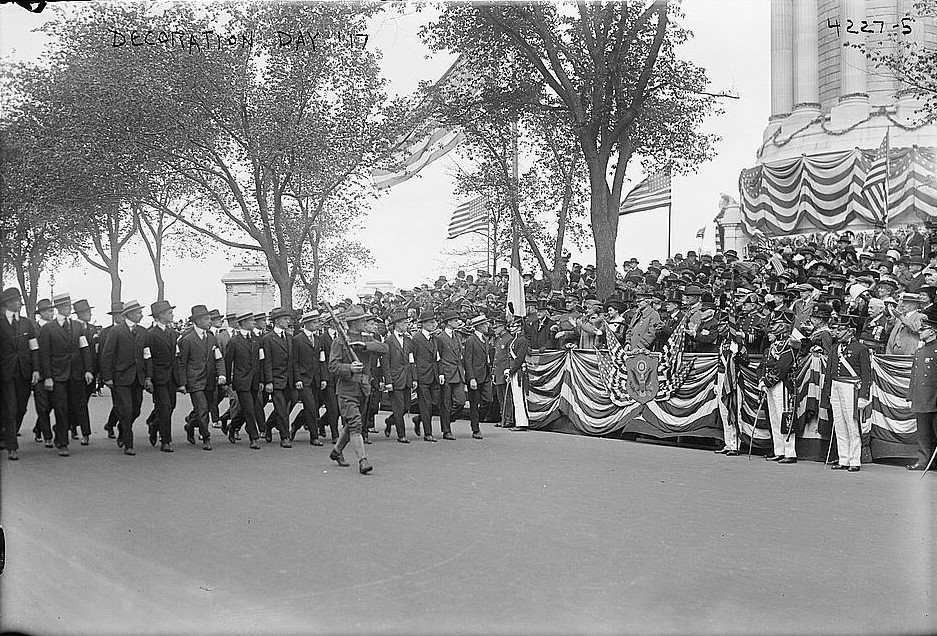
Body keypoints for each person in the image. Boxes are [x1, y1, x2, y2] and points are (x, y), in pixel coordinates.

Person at [328, 305, 387, 474]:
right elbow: (333, 366)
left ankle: (336, 451)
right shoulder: (340, 341)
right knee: (355, 423)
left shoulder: (367, 339)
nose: (365, 322)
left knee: (352, 423)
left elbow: (384, 349)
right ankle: (363, 460)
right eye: (362, 320)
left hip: (363, 389)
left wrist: (365, 346)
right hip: (346, 389)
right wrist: (349, 367)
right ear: (354, 323)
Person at [39, 293, 94, 456]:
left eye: (69, 305)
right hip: (57, 375)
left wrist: (88, 370)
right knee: (60, 408)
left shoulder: (78, 326)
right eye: (65, 306)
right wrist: (48, 376)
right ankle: (63, 443)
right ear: (58, 309)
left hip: (76, 374)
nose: (69, 308)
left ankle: (60, 431)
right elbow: (44, 355)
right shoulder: (48, 328)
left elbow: (85, 349)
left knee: (75, 406)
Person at [100, 299, 147, 456]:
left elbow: (147, 356)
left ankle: (122, 428)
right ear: (131, 314)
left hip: (138, 377)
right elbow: (107, 354)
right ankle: (128, 443)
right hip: (121, 377)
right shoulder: (117, 331)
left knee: (136, 410)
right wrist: (107, 377)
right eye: (139, 312)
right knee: (126, 410)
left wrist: (148, 376)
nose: (141, 315)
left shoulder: (143, 331)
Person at [178, 304, 226, 451]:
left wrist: (222, 374)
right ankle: (206, 437)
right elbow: (182, 363)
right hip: (195, 381)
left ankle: (190, 425)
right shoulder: (187, 340)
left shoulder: (211, 338)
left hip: (210, 380)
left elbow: (218, 358)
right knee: (202, 409)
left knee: (204, 409)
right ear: (197, 321)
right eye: (206, 319)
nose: (210, 321)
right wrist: (182, 383)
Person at [828, 314, 872, 472]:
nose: (837, 332)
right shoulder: (835, 348)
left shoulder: (861, 349)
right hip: (836, 386)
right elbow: (829, 372)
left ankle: (855, 460)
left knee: (852, 424)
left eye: (841, 329)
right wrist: (828, 392)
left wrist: (863, 396)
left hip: (851, 388)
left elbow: (867, 375)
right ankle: (843, 458)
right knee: (839, 424)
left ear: (850, 331)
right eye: (836, 329)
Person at [0, 287, 39, 461]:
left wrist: (36, 369)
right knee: (10, 408)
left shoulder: (27, 323)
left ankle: (9, 434)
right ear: (8, 303)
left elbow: (34, 348)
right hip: (6, 373)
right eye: (17, 300)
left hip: (24, 371)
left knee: (21, 408)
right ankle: (12, 446)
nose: (20, 303)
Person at [758, 313, 798, 464]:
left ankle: (790, 452)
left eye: (773, 329)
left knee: (784, 417)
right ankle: (779, 450)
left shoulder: (789, 345)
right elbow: (765, 365)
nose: (769, 333)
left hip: (783, 385)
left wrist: (767, 381)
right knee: (774, 418)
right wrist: (762, 380)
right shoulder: (772, 347)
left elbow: (782, 367)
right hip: (770, 385)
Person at [144, 300, 183, 452]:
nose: (172, 314)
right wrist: (149, 378)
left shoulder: (172, 333)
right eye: (169, 312)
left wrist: (180, 380)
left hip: (171, 377)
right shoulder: (150, 334)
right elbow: (148, 358)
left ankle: (154, 426)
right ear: (160, 315)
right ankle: (166, 441)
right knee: (165, 408)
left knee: (171, 406)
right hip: (158, 377)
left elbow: (176, 357)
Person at [224, 312, 262, 449]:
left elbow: (261, 361)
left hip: (255, 380)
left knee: (247, 409)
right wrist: (227, 382)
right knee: (249, 409)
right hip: (242, 381)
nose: (254, 322)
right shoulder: (234, 341)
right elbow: (228, 362)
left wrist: (261, 380)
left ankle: (233, 426)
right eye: (251, 320)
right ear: (244, 323)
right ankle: (254, 438)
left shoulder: (257, 339)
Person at [906, 307, 937, 471]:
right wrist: (910, 395)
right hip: (922, 398)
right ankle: (923, 460)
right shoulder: (920, 351)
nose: (920, 330)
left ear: (932, 331)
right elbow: (915, 377)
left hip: (934, 397)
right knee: (923, 434)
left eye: (923, 328)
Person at [289, 309, 325, 446]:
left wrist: (323, 378)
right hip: (303, 379)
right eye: (314, 322)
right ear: (307, 323)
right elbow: (294, 362)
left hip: (315, 378)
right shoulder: (297, 340)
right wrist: (297, 379)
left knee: (314, 406)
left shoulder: (318, 339)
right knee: (310, 407)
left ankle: (295, 425)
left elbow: (321, 360)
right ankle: (314, 436)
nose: (317, 325)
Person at [260, 306, 294, 448]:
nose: (288, 321)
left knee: (284, 408)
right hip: (275, 379)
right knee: (281, 409)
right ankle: (284, 437)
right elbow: (266, 361)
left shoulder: (289, 337)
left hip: (289, 380)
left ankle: (269, 425)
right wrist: (268, 381)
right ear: (277, 321)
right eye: (285, 319)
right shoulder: (267, 339)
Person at [382, 310, 416, 443]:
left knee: (407, 406)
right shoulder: (388, 341)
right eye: (404, 323)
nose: (406, 325)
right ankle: (401, 435)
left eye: (407, 323)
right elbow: (385, 363)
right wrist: (388, 381)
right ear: (396, 324)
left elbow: (411, 360)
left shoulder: (408, 340)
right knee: (399, 407)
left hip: (407, 377)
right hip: (395, 379)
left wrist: (414, 378)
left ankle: (390, 420)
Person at [435, 310, 466, 441]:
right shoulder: (440, 338)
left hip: (458, 373)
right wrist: (440, 373)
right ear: (448, 322)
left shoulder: (457, 337)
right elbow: (438, 357)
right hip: (446, 373)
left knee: (461, 401)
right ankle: (446, 430)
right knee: (446, 404)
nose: (457, 322)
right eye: (455, 320)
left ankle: (447, 419)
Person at [410, 310, 440, 442]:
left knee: (434, 403)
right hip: (422, 376)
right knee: (426, 404)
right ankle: (428, 433)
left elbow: (437, 358)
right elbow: (412, 359)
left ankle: (418, 419)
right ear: (424, 324)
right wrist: (415, 377)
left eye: (434, 322)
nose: (434, 325)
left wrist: (440, 373)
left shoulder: (434, 338)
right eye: (431, 322)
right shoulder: (416, 339)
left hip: (434, 375)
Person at [30, 298, 55, 447]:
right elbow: (33, 351)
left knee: (52, 404)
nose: (51, 313)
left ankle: (38, 427)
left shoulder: (55, 328)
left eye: (52, 311)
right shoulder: (34, 329)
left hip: (54, 371)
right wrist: (36, 370)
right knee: (42, 405)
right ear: (41, 313)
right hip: (39, 372)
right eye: (48, 311)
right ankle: (47, 435)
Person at [462, 315, 491, 440]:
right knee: (474, 404)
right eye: (485, 324)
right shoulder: (470, 340)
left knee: (488, 400)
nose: (487, 326)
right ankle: (475, 429)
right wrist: (471, 378)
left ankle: (477, 419)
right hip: (475, 376)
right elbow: (467, 360)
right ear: (478, 326)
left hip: (485, 375)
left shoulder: (485, 339)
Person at [505, 318, 530, 431]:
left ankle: (522, 422)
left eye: (513, 326)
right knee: (516, 397)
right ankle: (519, 421)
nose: (511, 328)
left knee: (520, 397)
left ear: (519, 327)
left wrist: (511, 370)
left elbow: (519, 358)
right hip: (515, 370)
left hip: (519, 371)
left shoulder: (522, 340)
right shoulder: (515, 340)